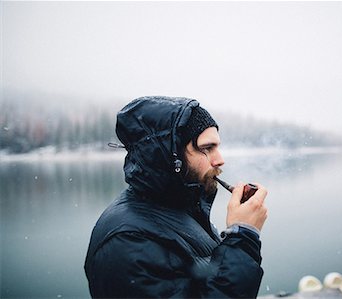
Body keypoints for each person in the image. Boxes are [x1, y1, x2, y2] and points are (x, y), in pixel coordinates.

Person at [84, 96, 269, 298]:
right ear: (171, 155)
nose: (220, 160)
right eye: (207, 148)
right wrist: (242, 237)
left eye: (217, 147)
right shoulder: (126, 241)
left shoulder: (179, 208)